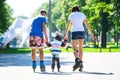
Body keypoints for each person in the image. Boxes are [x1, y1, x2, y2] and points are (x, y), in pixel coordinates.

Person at [64, 6, 94, 71]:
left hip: (74, 32)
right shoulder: (82, 15)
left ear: (73, 10)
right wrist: (91, 33)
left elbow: (68, 25)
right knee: (80, 48)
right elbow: (87, 25)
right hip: (81, 32)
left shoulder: (71, 15)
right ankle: (81, 63)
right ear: (78, 10)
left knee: (74, 48)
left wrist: (66, 34)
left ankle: (77, 60)